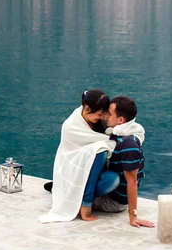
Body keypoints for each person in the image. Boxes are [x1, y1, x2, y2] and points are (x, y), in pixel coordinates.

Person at [39, 90, 119, 223]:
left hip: (93, 172)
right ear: (87, 109)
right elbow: (69, 157)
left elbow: (119, 131)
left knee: (112, 180)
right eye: (99, 114)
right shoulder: (70, 126)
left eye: (103, 114)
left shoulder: (100, 121)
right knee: (100, 150)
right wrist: (87, 204)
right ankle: (84, 203)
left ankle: (70, 191)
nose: (101, 117)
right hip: (72, 171)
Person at [92, 96, 155, 228]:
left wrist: (133, 216)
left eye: (109, 113)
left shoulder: (128, 144)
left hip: (113, 201)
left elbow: (132, 181)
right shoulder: (121, 133)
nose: (105, 116)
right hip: (111, 193)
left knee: (71, 194)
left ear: (121, 120)